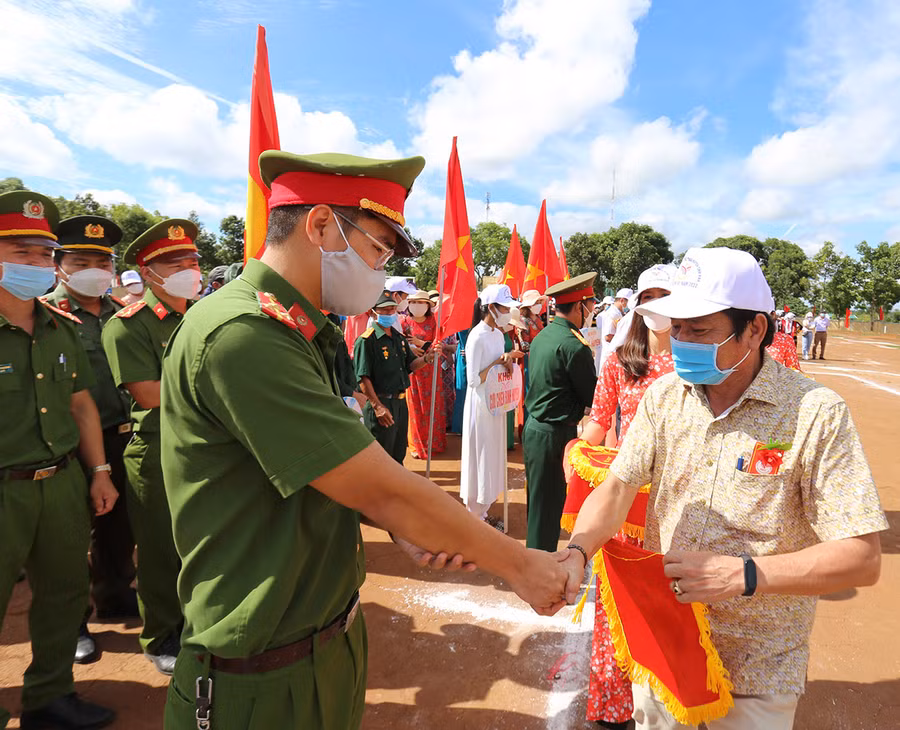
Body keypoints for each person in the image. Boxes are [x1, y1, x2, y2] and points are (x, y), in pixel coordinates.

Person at [158, 151, 569, 730]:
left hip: (327, 637)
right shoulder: (242, 334)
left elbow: (334, 468)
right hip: (261, 672)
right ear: (321, 225)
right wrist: (520, 566)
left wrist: (400, 525)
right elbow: (380, 487)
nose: (380, 272)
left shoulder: (301, 331)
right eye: (376, 249)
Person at [560, 246, 887, 730]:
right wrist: (577, 551)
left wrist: (745, 575)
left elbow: (862, 556)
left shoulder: (815, 412)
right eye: (679, 327)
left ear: (754, 329)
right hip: (667, 650)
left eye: (700, 330)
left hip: (758, 667)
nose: (681, 341)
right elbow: (616, 490)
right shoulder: (664, 397)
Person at [0, 191, 118, 730]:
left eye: (42, 254)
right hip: (5, 491)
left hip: (62, 482)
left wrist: (98, 472)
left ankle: (50, 696)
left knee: (65, 594)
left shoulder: (60, 327)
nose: (34, 264)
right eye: (19, 252)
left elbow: (81, 406)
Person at [102, 219, 202, 675]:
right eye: (173, 262)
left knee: (197, 543)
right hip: (158, 450)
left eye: (192, 260)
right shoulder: (128, 325)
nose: (188, 268)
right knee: (161, 550)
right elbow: (150, 395)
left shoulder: (200, 316)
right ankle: (161, 633)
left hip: (203, 447)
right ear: (148, 272)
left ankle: (193, 623)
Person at [577, 264, 674, 729]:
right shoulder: (621, 360)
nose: (658, 304)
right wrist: (578, 448)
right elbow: (599, 421)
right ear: (637, 301)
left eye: (667, 295)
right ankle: (613, 708)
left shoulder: (696, 363)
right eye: (650, 295)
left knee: (672, 605)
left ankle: (671, 699)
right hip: (627, 504)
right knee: (618, 605)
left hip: (680, 507)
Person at [45, 215, 138, 666]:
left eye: (101, 260)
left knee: (120, 526)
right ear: (60, 265)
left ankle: (116, 596)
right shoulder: (50, 315)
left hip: (124, 435)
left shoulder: (124, 312)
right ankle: (75, 620)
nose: (93, 268)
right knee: (70, 535)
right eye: (81, 259)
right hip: (70, 443)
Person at [524, 272, 599, 551]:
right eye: (589, 305)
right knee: (549, 506)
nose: (591, 311)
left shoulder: (545, 335)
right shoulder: (573, 345)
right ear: (579, 306)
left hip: (537, 427)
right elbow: (593, 395)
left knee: (540, 503)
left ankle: (537, 560)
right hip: (555, 433)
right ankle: (540, 569)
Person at [459, 284, 523, 523]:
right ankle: (474, 514)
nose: (508, 312)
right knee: (481, 454)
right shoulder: (476, 336)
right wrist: (499, 360)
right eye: (505, 307)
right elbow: (474, 380)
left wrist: (507, 363)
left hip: (496, 403)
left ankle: (484, 511)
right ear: (492, 308)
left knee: (493, 455)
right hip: (480, 405)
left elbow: (498, 369)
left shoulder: (498, 335)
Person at [355, 293, 435, 463]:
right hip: (382, 404)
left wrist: (428, 358)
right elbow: (362, 377)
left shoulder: (398, 338)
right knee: (380, 458)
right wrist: (377, 407)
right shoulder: (367, 341)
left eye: (392, 309)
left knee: (398, 453)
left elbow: (410, 365)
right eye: (384, 310)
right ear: (373, 312)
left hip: (400, 404)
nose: (390, 313)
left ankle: (394, 489)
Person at [401, 289, 446, 459]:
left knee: (433, 405)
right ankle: (416, 445)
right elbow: (401, 343)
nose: (417, 306)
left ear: (428, 305)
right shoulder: (404, 322)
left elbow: (437, 344)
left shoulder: (434, 322)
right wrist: (412, 348)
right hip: (413, 369)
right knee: (414, 406)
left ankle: (434, 443)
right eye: (413, 302)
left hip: (431, 369)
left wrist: (422, 343)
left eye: (421, 302)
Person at [596, 288, 631, 375]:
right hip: (610, 354)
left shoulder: (617, 313)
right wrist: (625, 340)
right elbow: (608, 337)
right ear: (622, 300)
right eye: (628, 303)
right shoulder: (612, 314)